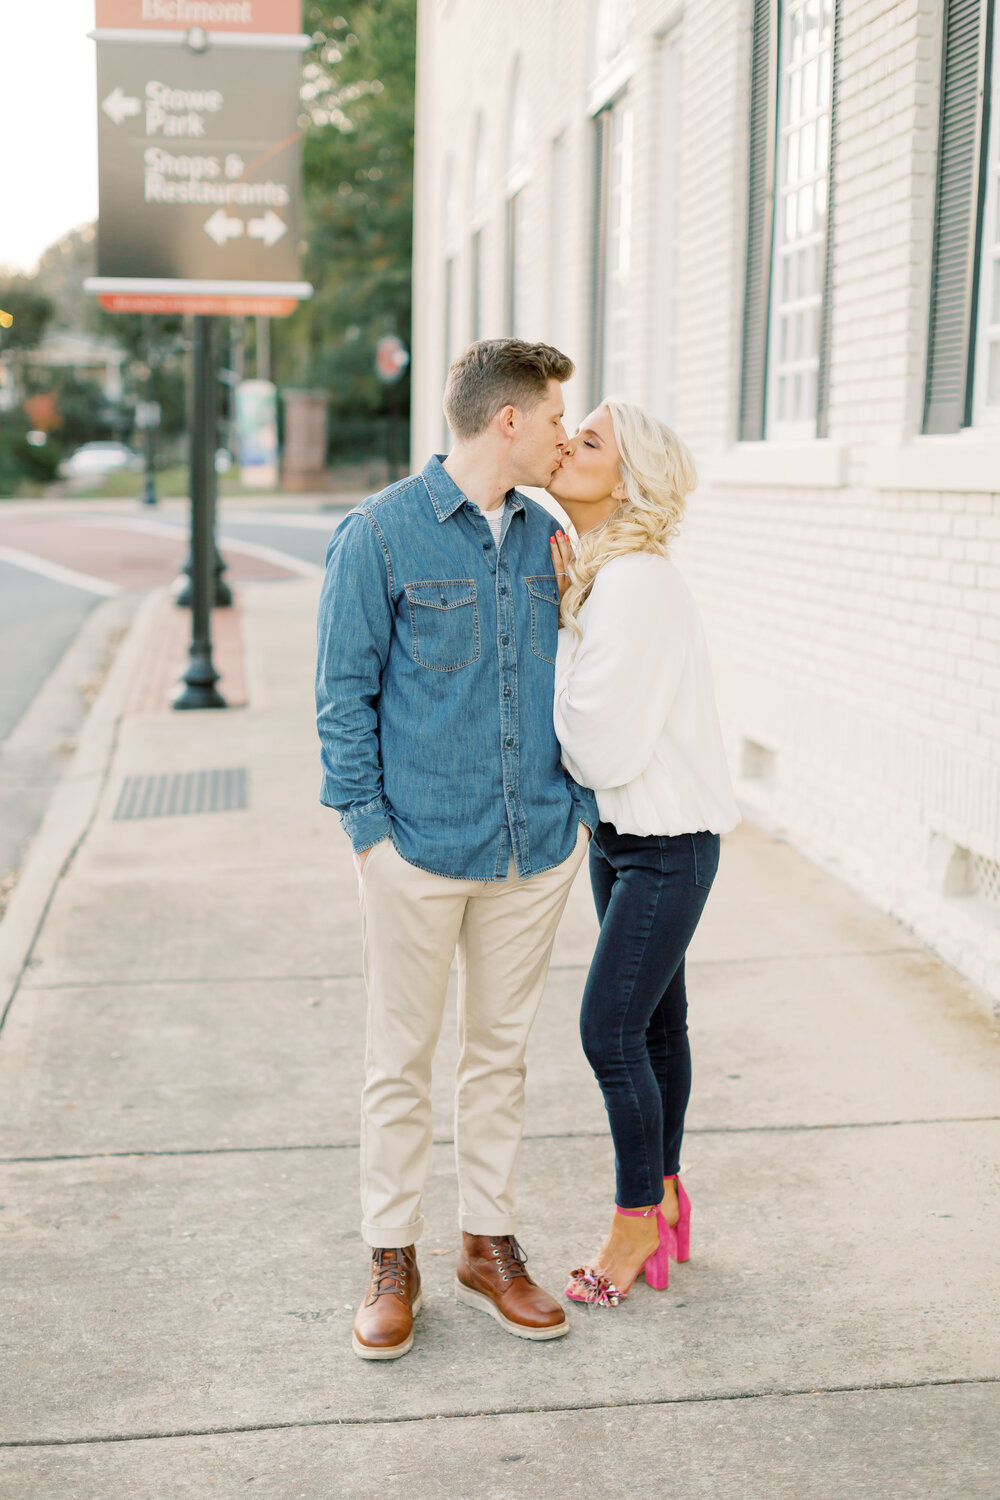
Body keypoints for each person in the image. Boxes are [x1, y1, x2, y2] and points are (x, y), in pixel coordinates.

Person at [316, 338, 597, 1359]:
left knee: (501, 1057)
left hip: (533, 847)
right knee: (400, 1062)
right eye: (556, 418)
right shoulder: (380, 536)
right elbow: (342, 697)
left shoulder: (546, 536)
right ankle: (393, 1256)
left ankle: (489, 1244)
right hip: (418, 852)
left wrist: (575, 812)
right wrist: (369, 841)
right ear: (507, 421)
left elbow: (580, 671)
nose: (565, 435)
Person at [546, 398, 740, 1307]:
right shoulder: (606, 572)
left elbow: (596, 746)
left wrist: (556, 629)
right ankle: (665, 1195)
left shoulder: (635, 585)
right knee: (658, 1027)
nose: (564, 444)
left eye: (587, 441)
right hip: (626, 838)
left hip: (661, 845)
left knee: (608, 1031)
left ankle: (633, 1223)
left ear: (623, 482)